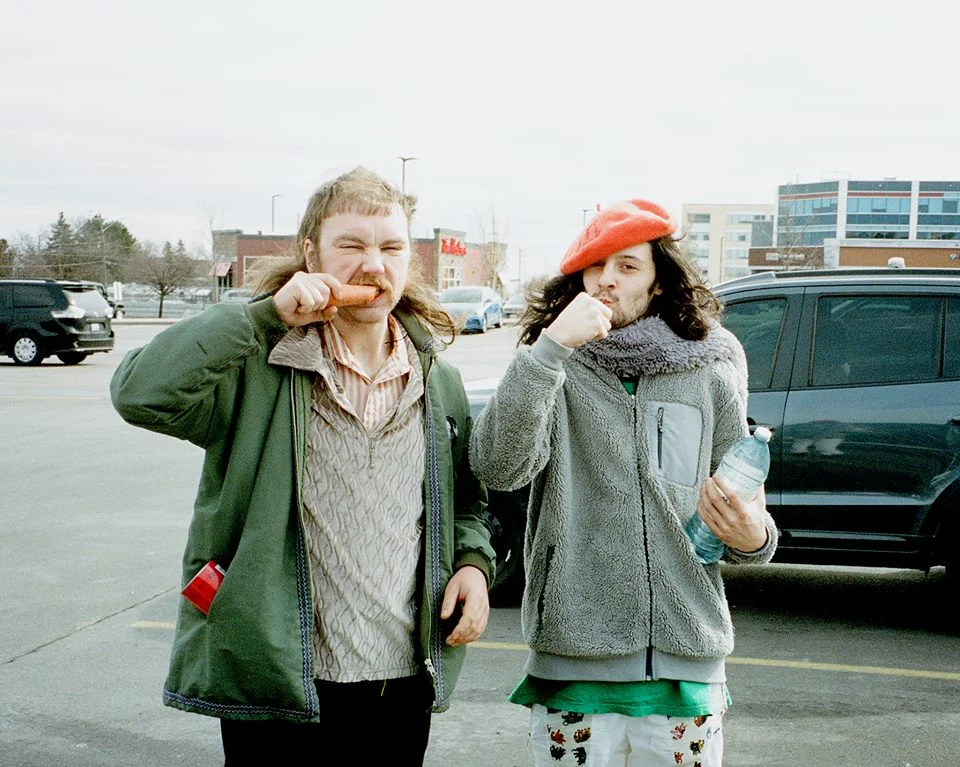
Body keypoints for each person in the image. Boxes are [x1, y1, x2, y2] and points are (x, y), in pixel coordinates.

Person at [111, 168, 495, 766]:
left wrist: (473, 564)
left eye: (391, 248)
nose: (373, 265)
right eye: (351, 245)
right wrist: (262, 317)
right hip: (280, 686)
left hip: (401, 684)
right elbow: (138, 393)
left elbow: (465, 502)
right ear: (311, 254)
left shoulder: (437, 379)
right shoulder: (258, 364)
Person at [469, 199, 778, 766]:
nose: (606, 279)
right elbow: (498, 467)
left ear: (659, 281)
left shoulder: (709, 371)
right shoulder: (553, 366)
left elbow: (746, 516)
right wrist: (550, 350)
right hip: (573, 662)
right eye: (595, 266)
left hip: (687, 663)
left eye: (627, 266)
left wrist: (754, 537)